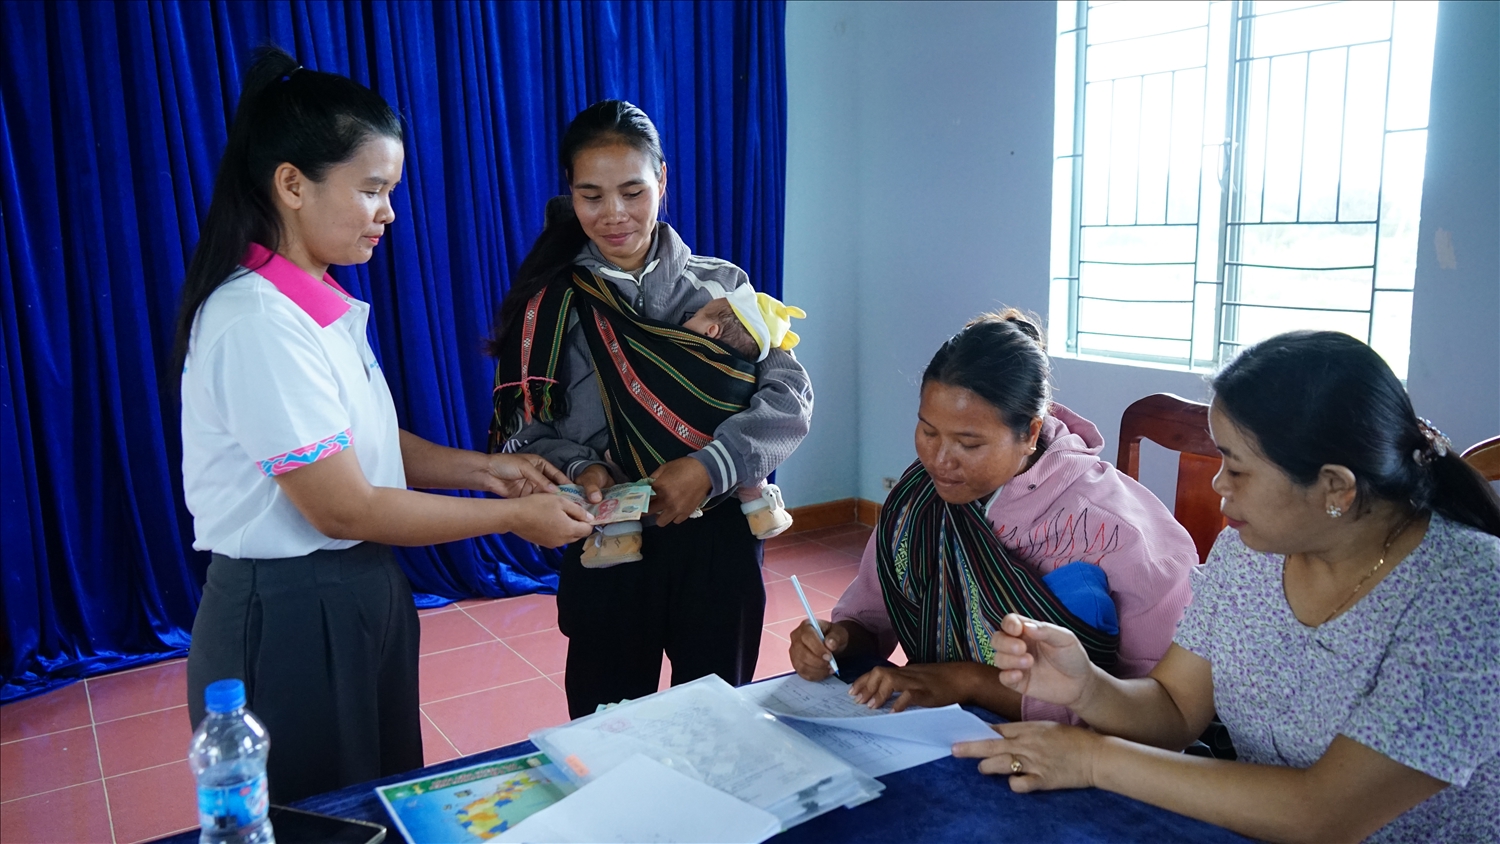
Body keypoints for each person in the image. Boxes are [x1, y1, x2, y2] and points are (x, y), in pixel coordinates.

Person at [173, 48, 594, 802]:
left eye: (390, 190)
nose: (389, 213)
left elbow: (360, 446)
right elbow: (341, 503)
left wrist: (484, 468)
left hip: (358, 588)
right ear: (292, 184)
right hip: (291, 609)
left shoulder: (316, 302)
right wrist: (512, 516)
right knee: (323, 814)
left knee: (377, 797)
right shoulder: (257, 320)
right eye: (371, 190)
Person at [956, 331, 1500, 843]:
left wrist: (1094, 759)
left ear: (1335, 486)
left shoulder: (1468, 593)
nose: (1217, 483)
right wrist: (1087, 688)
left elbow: (1324, 814)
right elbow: (1174, 709)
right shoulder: (1248, 554)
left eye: (1236, 468)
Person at [489, 100, 814, 718]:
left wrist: (711, 466)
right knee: (607, 725)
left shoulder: (722, 286)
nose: (614, 215)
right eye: (592, 196)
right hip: (610, 540)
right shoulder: (550, 307)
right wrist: (584, 470)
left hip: (718, 540)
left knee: (718, 720)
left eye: (633, 191)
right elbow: (523, 435)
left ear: (662, 180)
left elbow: (789, 397)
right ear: (570, 194)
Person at [789, 310, 1197, 722]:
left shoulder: (1116, 529)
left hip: (1080, 757)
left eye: (968, 444)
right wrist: (837, 639)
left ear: (1031, 434)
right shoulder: (917, 501)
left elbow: (1157, 708)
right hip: (937, 735)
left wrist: (969, 681)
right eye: (928, 432)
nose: (939, 461)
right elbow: (869, 617)